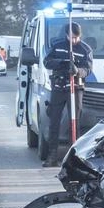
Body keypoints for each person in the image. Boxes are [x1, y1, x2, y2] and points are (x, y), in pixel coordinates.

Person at [41, 22, 92, 167]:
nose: (74, 40)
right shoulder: (57, 46)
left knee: (74, 122)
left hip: (75, 88)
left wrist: (77, 71)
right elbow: (47, 62)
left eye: (77, 37)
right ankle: (52, 156)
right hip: (59, 87)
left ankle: (73, 157)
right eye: (72, 37)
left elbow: (88, 69)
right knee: (54, 121)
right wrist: (62, 63)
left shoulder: (85, 49)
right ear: (66, 35)